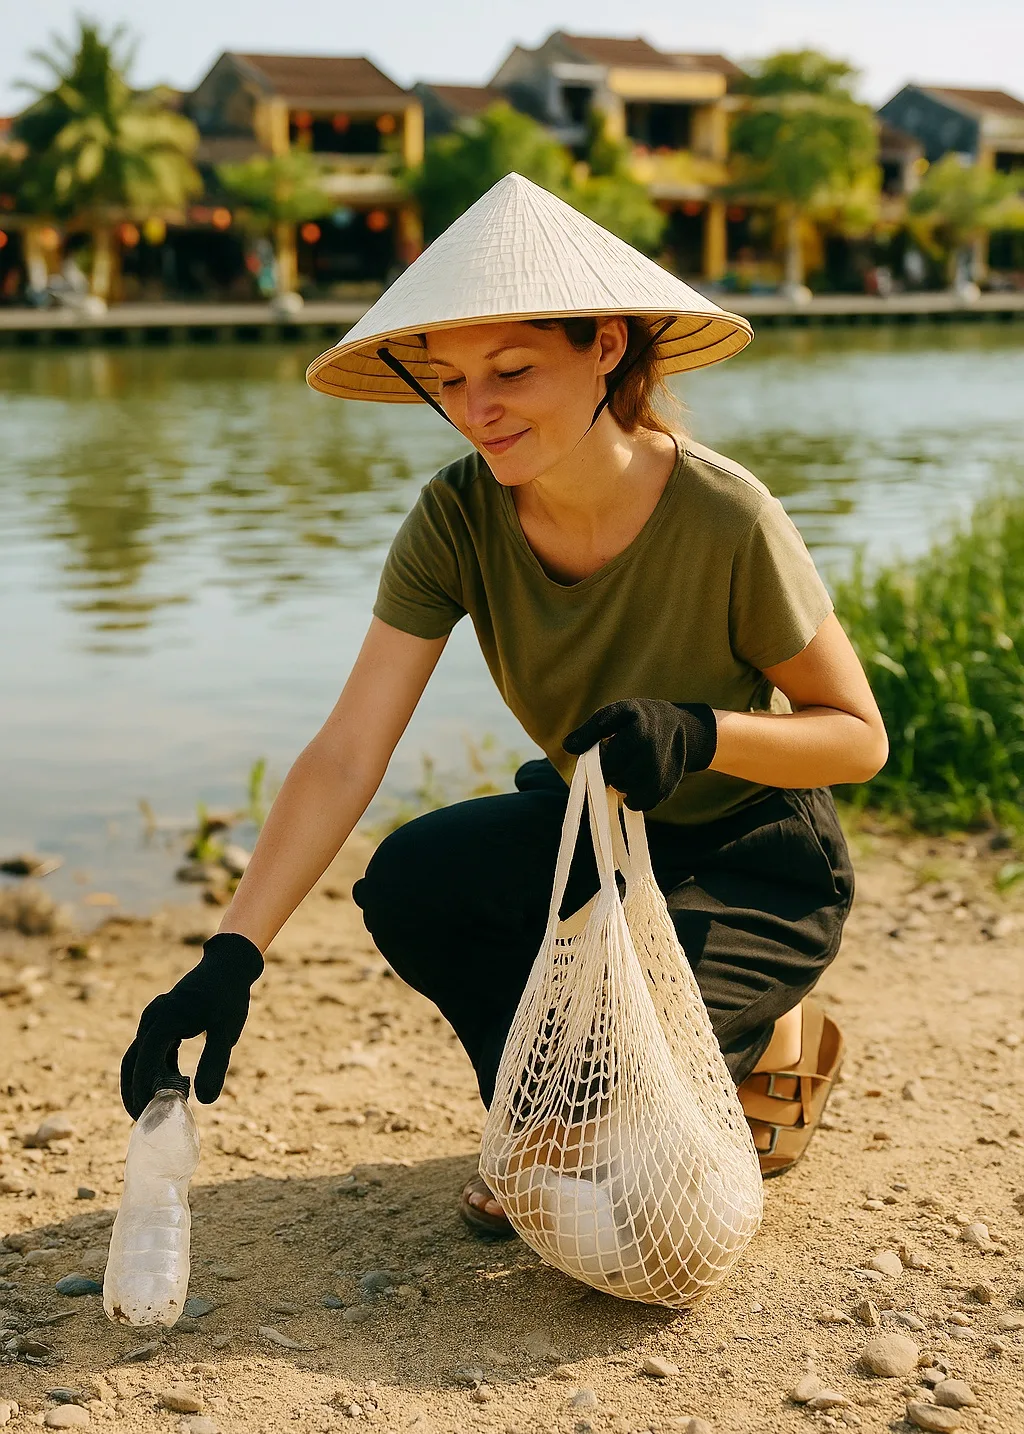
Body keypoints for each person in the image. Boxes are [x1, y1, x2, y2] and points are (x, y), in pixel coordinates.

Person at [121, 174, 887, 1239]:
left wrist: (700, 732)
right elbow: (348, 751)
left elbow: (855, 739)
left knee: (640, 1168)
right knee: (416, 879)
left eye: (513, 370)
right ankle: (542, 1108)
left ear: (605, 347)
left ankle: (777, 1035)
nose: (475, 410)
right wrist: (229, 956)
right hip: (597, 835)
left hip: (749, 853)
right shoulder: (454, 518)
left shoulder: (725, 515)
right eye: (448, 381)